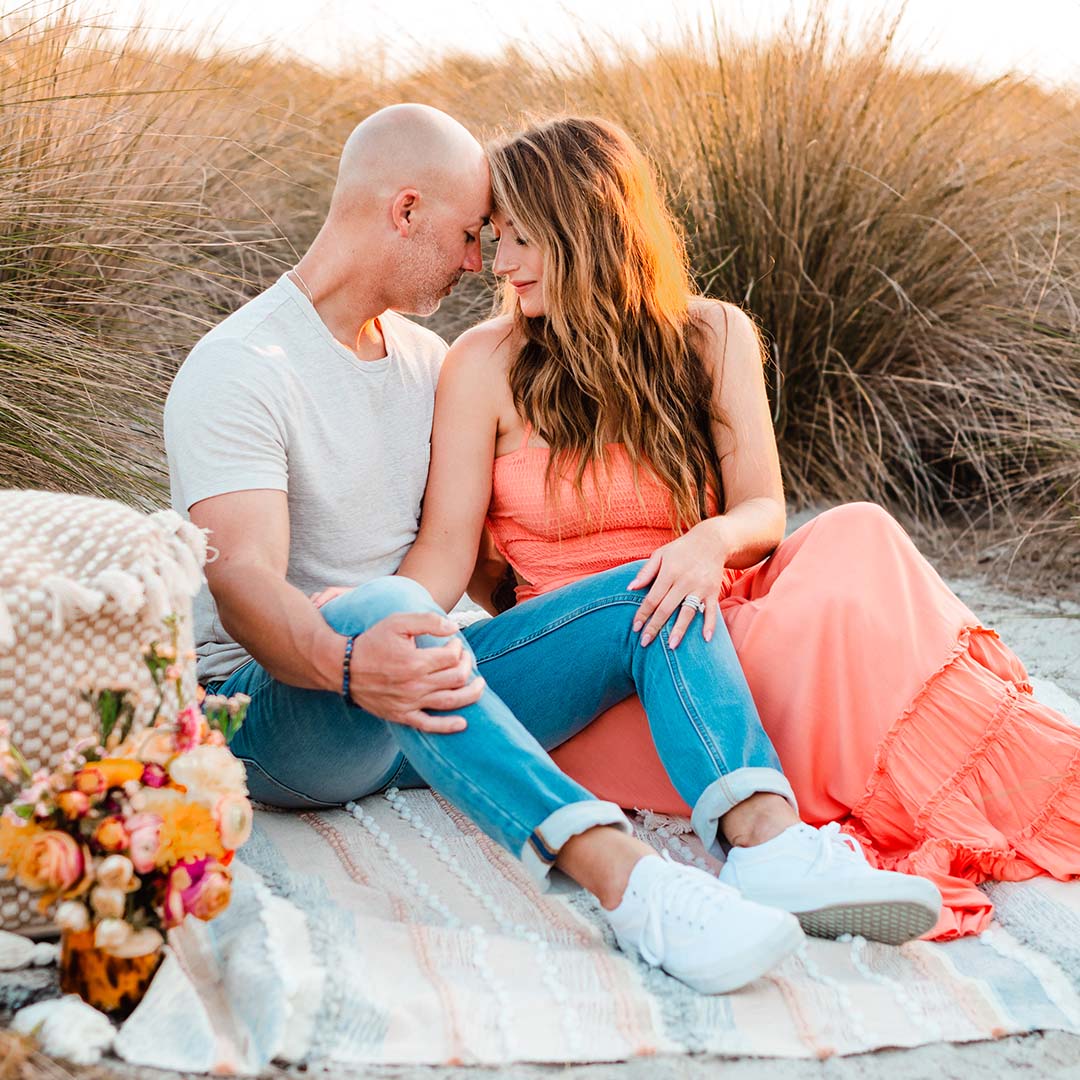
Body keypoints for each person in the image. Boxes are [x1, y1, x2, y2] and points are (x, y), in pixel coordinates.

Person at [164, 104, 935, 997]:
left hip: (423, 687)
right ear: (404, 210)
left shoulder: (425, 359)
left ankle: (766, 846)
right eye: (468, 235)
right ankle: (634, 888)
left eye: (495, 239)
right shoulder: (242, 366)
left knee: (642, 593)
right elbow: (245, 585)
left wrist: (656, 564)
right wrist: (346, 661)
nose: (479, 264)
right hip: (290, 709)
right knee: (394, 611)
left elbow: (456, 558)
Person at [393, 114, 1080, 941]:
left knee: (859, 533)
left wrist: (705, 541)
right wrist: (343, 634)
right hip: (601, 664)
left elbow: (762, 510)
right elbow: (444, 556)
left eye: (524, 240)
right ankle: (773, 842)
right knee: (729, 637)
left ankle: (926, 782)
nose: (500, 265)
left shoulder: (712, 334)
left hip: (715, 605)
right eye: (496, 238)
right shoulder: (483, 362)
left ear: (593, 229)